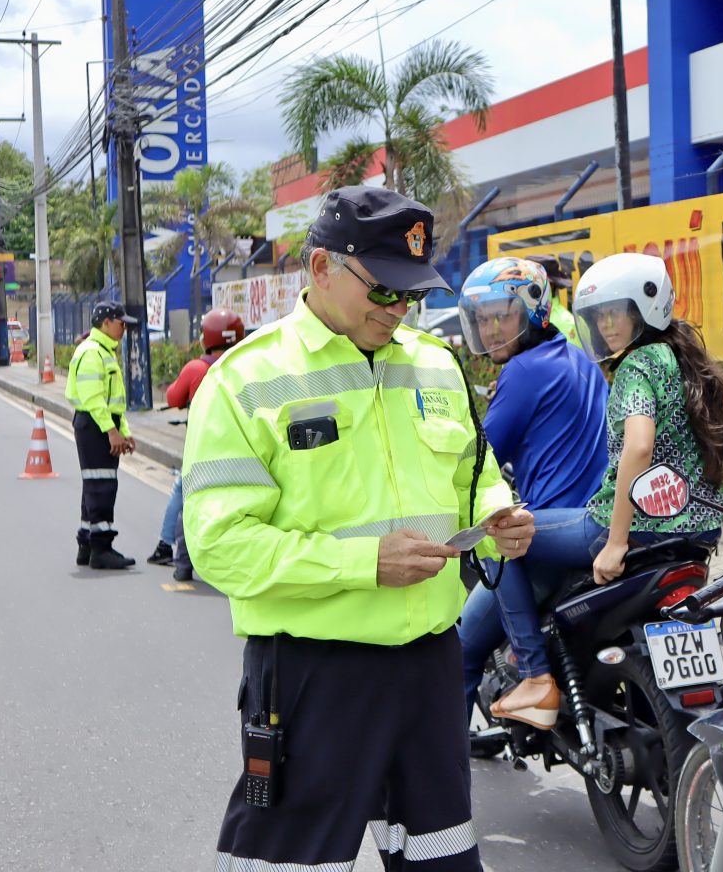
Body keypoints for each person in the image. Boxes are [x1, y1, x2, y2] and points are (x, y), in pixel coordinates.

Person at [183, 186, 536, 872]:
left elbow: (474, 472)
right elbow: (221, 547)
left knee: (442, 856)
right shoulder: (244, 381)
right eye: (382, 291)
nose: (398, 309)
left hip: (431, 663)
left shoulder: (434, 363)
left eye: (410, 293)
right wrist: (363, 563)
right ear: (320, 269)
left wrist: (497, 517)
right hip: (315, 670)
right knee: (293, 859)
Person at [486, 252, 723, 728]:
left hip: (626, 529)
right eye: (599, 315)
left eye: (616, 312)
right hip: (696, 536)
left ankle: (532, 675)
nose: (607, 326)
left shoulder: (637, 367)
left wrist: (614, 542)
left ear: (645, 309)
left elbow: (639, 447)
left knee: (499, 533)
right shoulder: (691, 358)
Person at [455, 257, 609, 717]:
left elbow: (475, 462)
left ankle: (534, 673)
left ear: (534, 312)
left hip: (551, 538)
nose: (491, 329)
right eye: (483, 319)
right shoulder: (579, 359)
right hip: (590, 522)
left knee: (459, 648)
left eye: (503, 315)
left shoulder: (522, 373)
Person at [147, 308, 246, 580]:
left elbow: (174, 397)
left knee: (185, 494)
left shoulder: (196, 368)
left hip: (203, 447)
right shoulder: (249, 363)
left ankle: (169, 548)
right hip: (244, 448)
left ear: (206, 337)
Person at [65, 300, 138, 570]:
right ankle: (101, 549)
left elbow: (114, 402)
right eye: (121, 324)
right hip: (95, 427)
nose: (124, 329)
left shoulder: (105, 352)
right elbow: (94, 399)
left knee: (94, 487)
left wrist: (124, 432)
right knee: (102, 487)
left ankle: (86, 545)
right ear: (106, 323)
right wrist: (111, 432)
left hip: (103, 425)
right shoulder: (92, 353)